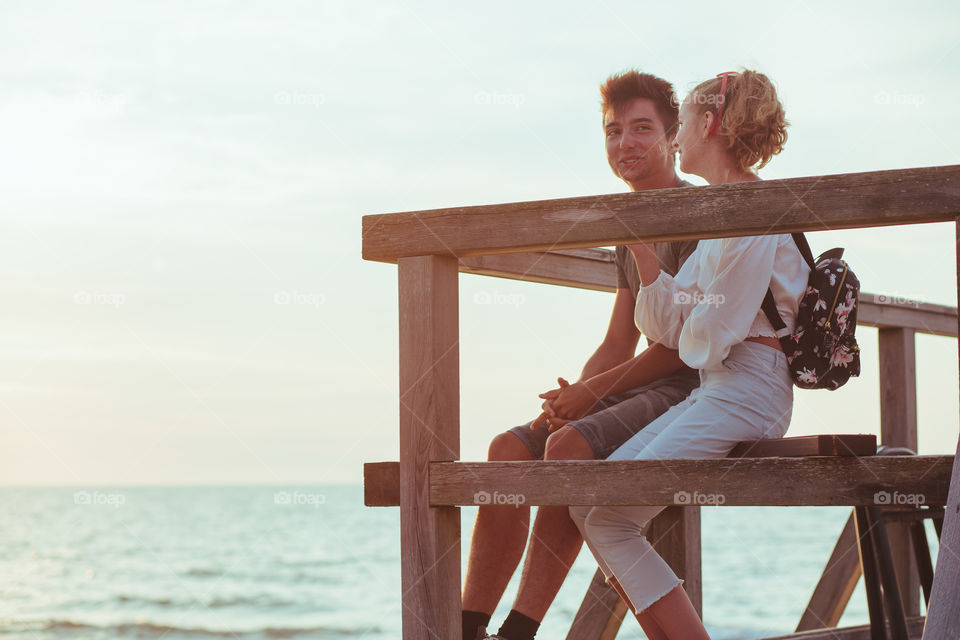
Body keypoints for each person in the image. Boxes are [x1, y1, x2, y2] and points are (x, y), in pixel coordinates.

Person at [462, 71, 701, 640]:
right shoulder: (628, 223)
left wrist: (591, 396)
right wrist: (570, 400)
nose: (626, 143)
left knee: (567, 450)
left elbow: (682, 351)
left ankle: (520, 629)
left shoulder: (703, 214)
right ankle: (466, 629)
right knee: (508, 449)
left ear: (673, 136)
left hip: (690, 385)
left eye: (642, 128)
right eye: (614, 131)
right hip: (639, 377)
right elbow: (618, 341)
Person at [569, 69, 807, 639]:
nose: (675, 139)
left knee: (610, 517)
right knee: (593, 509)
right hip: (721, 386)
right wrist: (643, 252)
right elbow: (673, 325)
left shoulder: (752, 212)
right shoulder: (720, 215)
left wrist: (691, 318)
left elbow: (707, 332)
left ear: (710, 123)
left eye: (686, 123)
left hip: (753, 388)